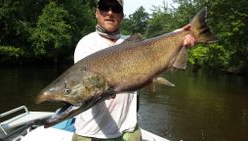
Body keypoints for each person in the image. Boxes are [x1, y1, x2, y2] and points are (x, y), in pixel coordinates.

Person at [73, 0, 196, 140]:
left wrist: (178, 37)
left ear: (122, 16)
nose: (110, 12)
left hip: (129, 130)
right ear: (96, 13)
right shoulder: (86, 44)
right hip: (92, 133)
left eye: (116, 9)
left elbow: (156, 52)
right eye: (104, 7)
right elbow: (85, 90)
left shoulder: (131, 44)